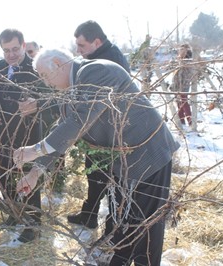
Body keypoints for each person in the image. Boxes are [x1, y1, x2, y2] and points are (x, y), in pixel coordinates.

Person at [13, 48, 180, 265]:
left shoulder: (95, 71)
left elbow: (79, 122)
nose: (45, 83)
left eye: (45, 75)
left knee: (145, 228)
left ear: (58, 62)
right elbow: (64, 132)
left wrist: (35, 149)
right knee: (123, 222)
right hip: (125, 162)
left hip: (149, 155)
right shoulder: (73, 91)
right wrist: (36, 172)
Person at [0, 28, 58, 243]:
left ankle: (31, 222)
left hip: (29, 136)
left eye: (15, 49)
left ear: (24, 45)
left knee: (28, 179)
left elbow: (55, 98)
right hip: (1, 136)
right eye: (6, 50)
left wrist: (37, 105)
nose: (11, 54)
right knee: (4, 175)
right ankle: (12, 212)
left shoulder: (37, 69)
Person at [68, 20, 131, 229]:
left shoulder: (108, 61)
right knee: (94, 176)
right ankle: (89, 215)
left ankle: (112, 228)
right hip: (100, 133)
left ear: (96, 42)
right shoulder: (99, 56)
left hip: (112, 135)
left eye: (82, 46)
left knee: (113, 182)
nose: (78, 50)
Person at [169, 43, 194, 129]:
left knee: (184, 102)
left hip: (183, 85)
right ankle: (181, 121)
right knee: (179, 102)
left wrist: (179, 86)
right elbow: (176, 74)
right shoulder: (180, 60)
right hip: (177, 85)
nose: (181, 51)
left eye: (183, 49)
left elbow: (183, 75)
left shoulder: (187, 61)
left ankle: (190, 121)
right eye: (180, 49)